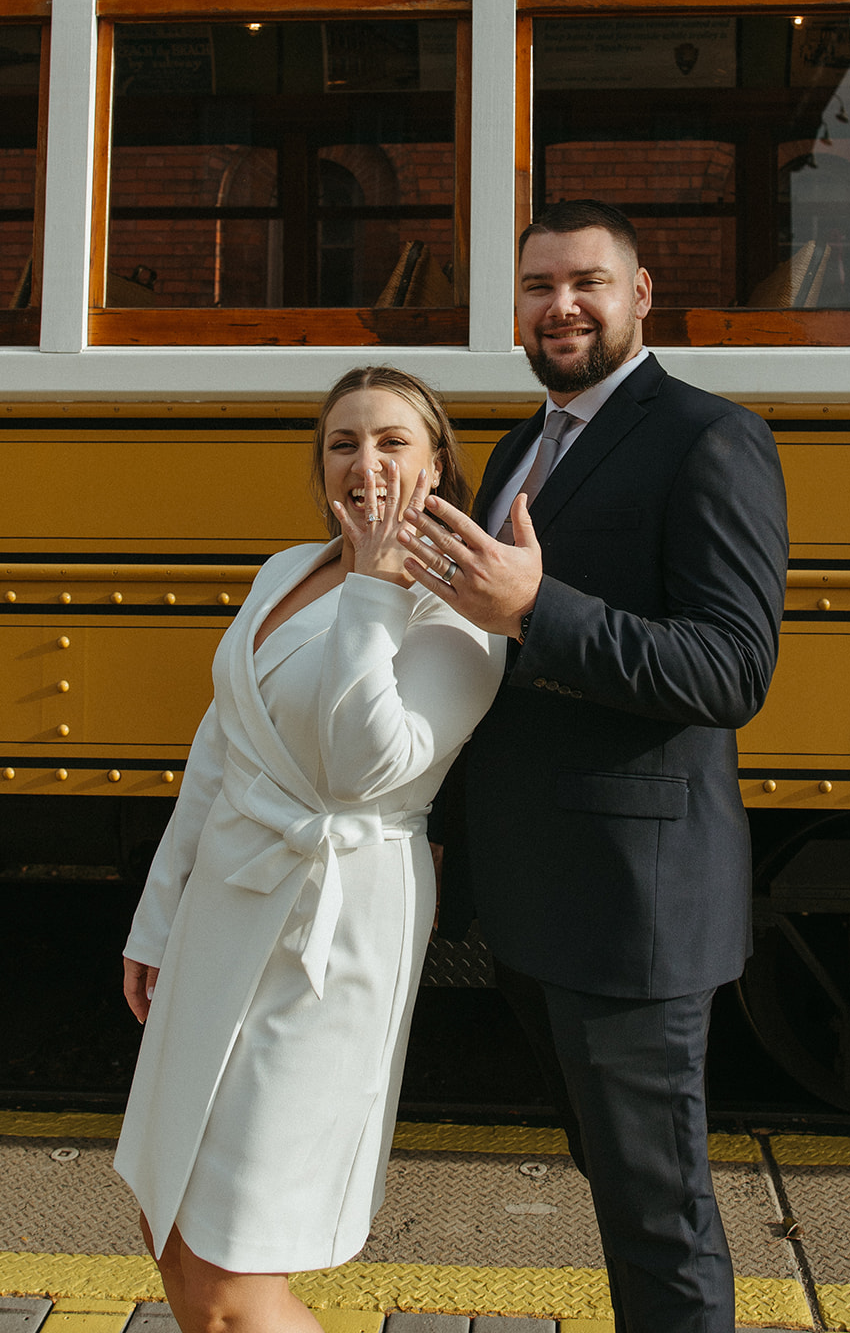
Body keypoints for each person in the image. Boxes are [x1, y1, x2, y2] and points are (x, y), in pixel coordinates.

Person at [398, 201, 789, 1333]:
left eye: (585, 282)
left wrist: (538, 607)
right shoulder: (524, 444)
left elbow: (729, 669)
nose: (558, 305)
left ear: (640, 296)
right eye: (535, 286)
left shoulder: (709, 437)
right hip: (532, 901)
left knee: (657, 1216)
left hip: (634, 907)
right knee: (619, 1192)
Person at [114, 365, 506, 1333]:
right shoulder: (286, 568)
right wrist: (157, 921)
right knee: (168, 1223)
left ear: (438, 466)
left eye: (392, 442)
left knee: (234, 1269)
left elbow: (361, 770)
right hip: (222, 910)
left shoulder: (461, 607)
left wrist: (376, 592)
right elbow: (219, 751)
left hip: (332, 928)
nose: (365, 462)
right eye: (343, 442)